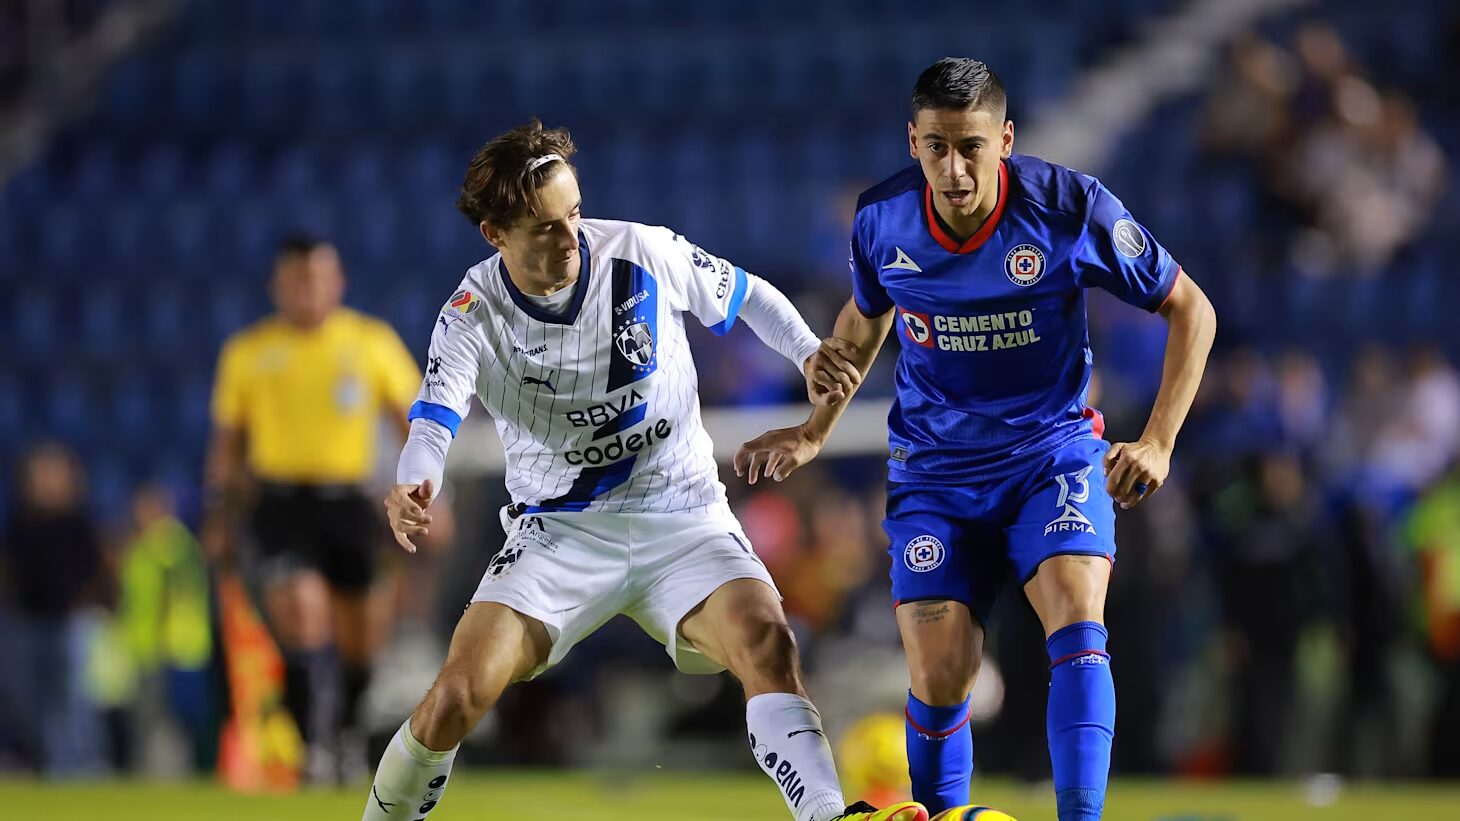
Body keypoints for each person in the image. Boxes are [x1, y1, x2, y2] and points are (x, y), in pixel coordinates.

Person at [360, 120, 924, 821]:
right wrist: (419, 476)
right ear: (496, 233)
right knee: (455, 697)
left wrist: (809, 351)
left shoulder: (641, 250)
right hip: (560, 534)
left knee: (768, 644)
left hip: (682, 515)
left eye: (574, 213)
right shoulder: (472, 314)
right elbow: (435, 414)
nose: (572, 237)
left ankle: (828, 816)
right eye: (546, 228)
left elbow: (746, 295)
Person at [736, 58, 1217, 820]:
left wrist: (1158, 441)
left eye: (972, 147)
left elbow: (1191, 308)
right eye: (936, 148)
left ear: (1007, 140)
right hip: (934, 470)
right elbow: (862, 328)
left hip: (1049, 453)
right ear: (914, 141)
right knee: (940, 672)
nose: (954, 169)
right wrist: (813, 430)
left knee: (1076, 615)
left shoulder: (1069, 207)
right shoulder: (881, 220)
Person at [204, 235, 423, 782]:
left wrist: (421, 491)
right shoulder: (249, 352)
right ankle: (309, 746)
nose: (309, 289)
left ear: (338, 282)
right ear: (278, 286)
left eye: (319, 278)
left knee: (361, 636)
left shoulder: (370, 342)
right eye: (298, 279)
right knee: (302, 613)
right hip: (280, 502)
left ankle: (345, 735)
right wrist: (220, 516)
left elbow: (414, 424)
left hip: (348, 503)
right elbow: (227, 447)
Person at [0, 443, 109, 775]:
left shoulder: (77, 523)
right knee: (26, 696)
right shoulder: (20, 521)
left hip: (67, 622)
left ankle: (83, 762)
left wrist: (82, 605)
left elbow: (98, 569)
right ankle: (48, 758)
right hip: (26, 622)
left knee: (74, 699)